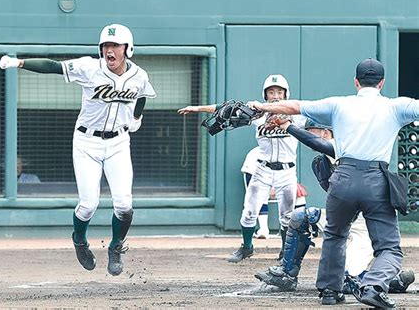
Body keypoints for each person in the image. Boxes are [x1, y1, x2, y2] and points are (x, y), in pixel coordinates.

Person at [248, 58, 419, 308]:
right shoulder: (396, 106)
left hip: (343, 178)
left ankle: (329, 291)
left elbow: (295, 106)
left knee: (335, 236)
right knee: (389, 248)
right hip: (375, 180)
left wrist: (260, 105)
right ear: (382, 83)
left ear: (356, 82)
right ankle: (373, 286)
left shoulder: (338, 104)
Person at [0, 24, 157, 276]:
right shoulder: (89, 67)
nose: (109, 50)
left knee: (124, 204)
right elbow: (53, 66)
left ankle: (116, 247)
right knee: (88, 205)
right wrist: (18, 63)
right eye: (106, 45)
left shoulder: (139, 75)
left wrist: (136, 118)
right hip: (86, 142)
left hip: (118, 142)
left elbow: (142, 94)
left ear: (128, 49)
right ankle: (80, 241)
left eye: (115, 45)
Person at [254, 119, 415, 296]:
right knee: (301, 217)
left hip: (365, 227)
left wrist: (288, 127)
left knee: (345, 281)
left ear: (325, 133)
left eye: (313, 130)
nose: (310, 134)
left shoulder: (343, 146)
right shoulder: (322, 162)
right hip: (344, 220)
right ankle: (287, 273)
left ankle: (393, 281)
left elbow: (315, 142)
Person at [178, 74, 305, 263]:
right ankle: (246, 247)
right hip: (262, 169)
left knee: (286, 215)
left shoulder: (297, 113)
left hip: (287, 171)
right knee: (249, 212)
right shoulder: (258, 113)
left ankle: (285, 252)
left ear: (286, 94)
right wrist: (198, 109)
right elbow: (225, 109)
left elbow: (321, 116)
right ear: (266, 95)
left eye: (279, 91)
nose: (276, 95)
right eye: (272, 92)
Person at [241, 147, 270, 239]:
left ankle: (264, 229)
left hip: (268, 173)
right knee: (253, 201)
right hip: (252, 171)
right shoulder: (259, 150)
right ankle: (261, 230)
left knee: (261, 200)